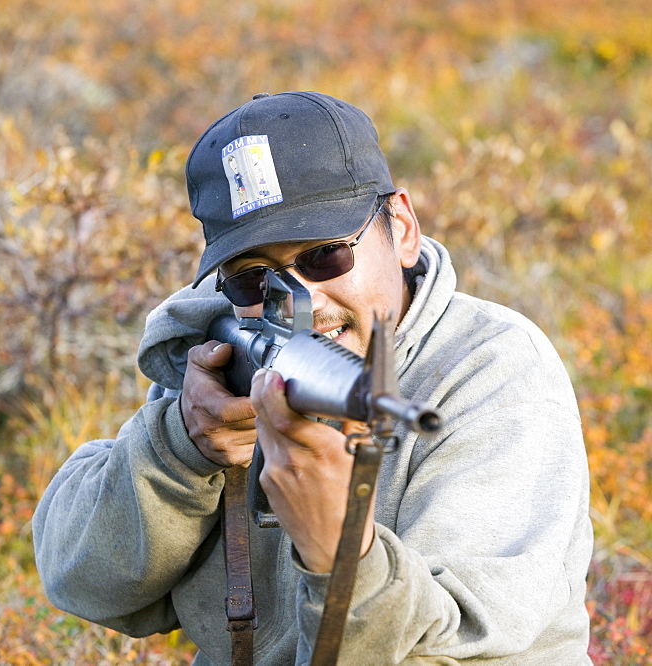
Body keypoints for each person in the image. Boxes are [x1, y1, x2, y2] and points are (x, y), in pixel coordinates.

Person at [33, 91, 593, 665]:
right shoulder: (222, 364)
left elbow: (457, 647)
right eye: (254, 279)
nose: (301, 300)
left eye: (324, 255)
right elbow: (83, 582)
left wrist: (339, 548)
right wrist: (183, 449)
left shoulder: (490, 369)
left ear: (400, 227)